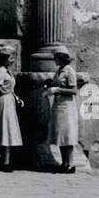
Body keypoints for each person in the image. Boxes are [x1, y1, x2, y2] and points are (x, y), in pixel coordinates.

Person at [44, 44, 78, 173]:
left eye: (56, 57)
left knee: (68, 135)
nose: (54, 60)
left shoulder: (70, 71)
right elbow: (56, 83)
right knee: (61, 136)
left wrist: (57, 89)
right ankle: (64, 163)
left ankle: (71, 163)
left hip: (67, 106)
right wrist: (49, 84)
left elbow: (73, 90)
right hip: (59, 105)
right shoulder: (59, 71)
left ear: (62, 57)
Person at [0, 49, 23, 172]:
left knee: (9, 129)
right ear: (5, 60)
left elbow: (10, 89)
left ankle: (6, 160)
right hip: (4, 101)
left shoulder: (8, 73)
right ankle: (5, 161)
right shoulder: (2, 73)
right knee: (5, 129)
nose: (13, 60)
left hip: (10, 101)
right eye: (10, 58)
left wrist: (17, 98)